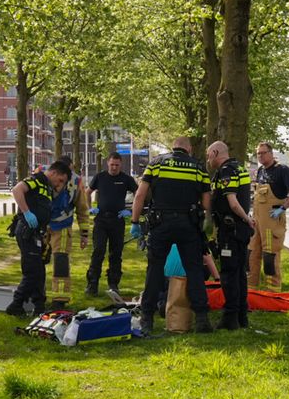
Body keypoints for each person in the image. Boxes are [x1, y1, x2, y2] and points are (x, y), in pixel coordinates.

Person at [131, 137, 214, 334]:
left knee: (155, 270)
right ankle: (202, 319)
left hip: (161, 224)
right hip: (188, 225)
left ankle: (147, 319)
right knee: (193, 270)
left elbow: (140, 195)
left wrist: (135, 222)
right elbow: (206, 201)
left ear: (173, 147)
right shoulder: (198, 168)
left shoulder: (156, 164)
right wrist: (207, 222)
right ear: (189, 149)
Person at [5, 160, 72, 316]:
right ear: (54, 172)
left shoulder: (47, 187)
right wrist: (26, 212)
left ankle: (39, 307)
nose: (59, 184)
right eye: (60, 180)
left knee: (39, 271)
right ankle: (16, 305)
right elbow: (17, 190)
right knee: (32, 272)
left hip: (36, 232)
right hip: (26, 230)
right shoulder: (37, 180)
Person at [207, 141, 254, 330]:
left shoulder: (226, 171)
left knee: (228, 274)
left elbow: (233, 203)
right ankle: (242, 316)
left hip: (231, 230)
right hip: (240, 230)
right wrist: (247, 221)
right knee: (240, 274)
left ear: (216, 152)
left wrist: (247, 219)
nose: (208, 159)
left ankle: (230, 317)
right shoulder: (240, 168)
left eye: (209, 155)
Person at [248, 142, 289, 291]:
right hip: (258, 222)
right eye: (258, 153)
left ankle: (272, 292)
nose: (260, 156)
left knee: (270, 256)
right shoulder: (260, 171)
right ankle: (251, 288)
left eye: (263, 153)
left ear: (271, 154)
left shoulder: (282, 170)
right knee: (252, 253)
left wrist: (283, 208)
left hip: (272, 223)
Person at [84, 152, 138, 296]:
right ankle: (92, 284)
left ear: (120, 165)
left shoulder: (126, 179)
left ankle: (113, 284)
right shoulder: (100, 177)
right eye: (112, 164)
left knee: (116, 253)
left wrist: (131, 210)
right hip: (101, 220)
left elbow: (140, 195)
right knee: (98, 251)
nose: (114, 167)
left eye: (117, 165)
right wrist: (90, 208)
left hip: (117, 220)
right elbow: (87, 192)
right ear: (108, 163)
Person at [46, 155, 90, 310]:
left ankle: (60, 300)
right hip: (42, 225)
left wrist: (84, 234)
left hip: (62, 227)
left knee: (61, 261)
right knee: (37, 261)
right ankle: (37, 295)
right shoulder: (43, 175)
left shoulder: (76, 182)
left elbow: (82, 208)